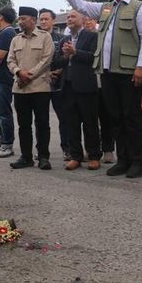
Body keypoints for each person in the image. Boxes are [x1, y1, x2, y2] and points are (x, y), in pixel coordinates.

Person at [51, 0, 142, 178]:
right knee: (115, 118)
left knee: (131, 117)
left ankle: (137, 161)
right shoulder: (106, 8)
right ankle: (123, 160)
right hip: (107, 72)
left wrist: (141, 67)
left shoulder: (139, 8)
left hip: (128, 72)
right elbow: (80, 5)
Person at [51, 10, 102, 171]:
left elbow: (95, 58)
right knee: (71, 123)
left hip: (86, 86)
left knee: (90, 123)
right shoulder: (64, 39)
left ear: (83, 19)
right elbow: (56, 62)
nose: (69, 19)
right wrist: (66, 56)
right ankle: (75, 156)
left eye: (73, 16)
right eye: (68, 17)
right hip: (67, 86)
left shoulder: (92, 36)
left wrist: (75, 53)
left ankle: (94, 156)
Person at [7, 6, 55, 170]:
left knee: (42, 124)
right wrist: (19, 72)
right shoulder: (15, 39)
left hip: (39, 88)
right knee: (24, 125)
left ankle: (43, 157)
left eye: (23, 19)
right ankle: (26, 157)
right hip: (20, 89)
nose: (20, 21)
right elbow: (10, 60)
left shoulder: (45, 37)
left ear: (33, 20)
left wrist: (29, 76)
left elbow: (46, 60)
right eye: (19, 19)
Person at [40, 8, 70, 160]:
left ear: (53, 20)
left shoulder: (62, 38)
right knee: (41, 120)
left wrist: (58, 71)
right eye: (41, 19)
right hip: (40, 82)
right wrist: (46, 73)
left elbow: (66, 58)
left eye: (46, 19)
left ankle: (67, 149)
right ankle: (41, 152)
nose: (43, 21)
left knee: (64, 118)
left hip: (59, 84)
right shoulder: (36, 38)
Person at [0, 7, 17, 158]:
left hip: (3, 79)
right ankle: (2, 137)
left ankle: (8, 144)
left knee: (3, 111)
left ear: (0, 17)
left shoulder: (8, 33)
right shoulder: (4, 33)